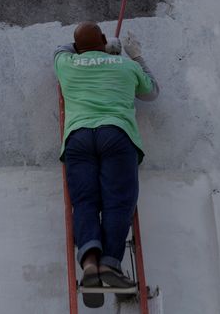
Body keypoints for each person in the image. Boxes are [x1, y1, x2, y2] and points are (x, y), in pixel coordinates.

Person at [54, 21, 159, 308]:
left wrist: (89, 47)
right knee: (118, 202)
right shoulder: (125, 66)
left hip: (78, 138)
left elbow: (60, 50)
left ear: (77, 45)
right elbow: (152, 92)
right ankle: (110, 265)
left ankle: (89, 264)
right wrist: (134, 56)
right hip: (116, 134)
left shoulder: (66, 63)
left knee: (84, 201)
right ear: (104, 40)